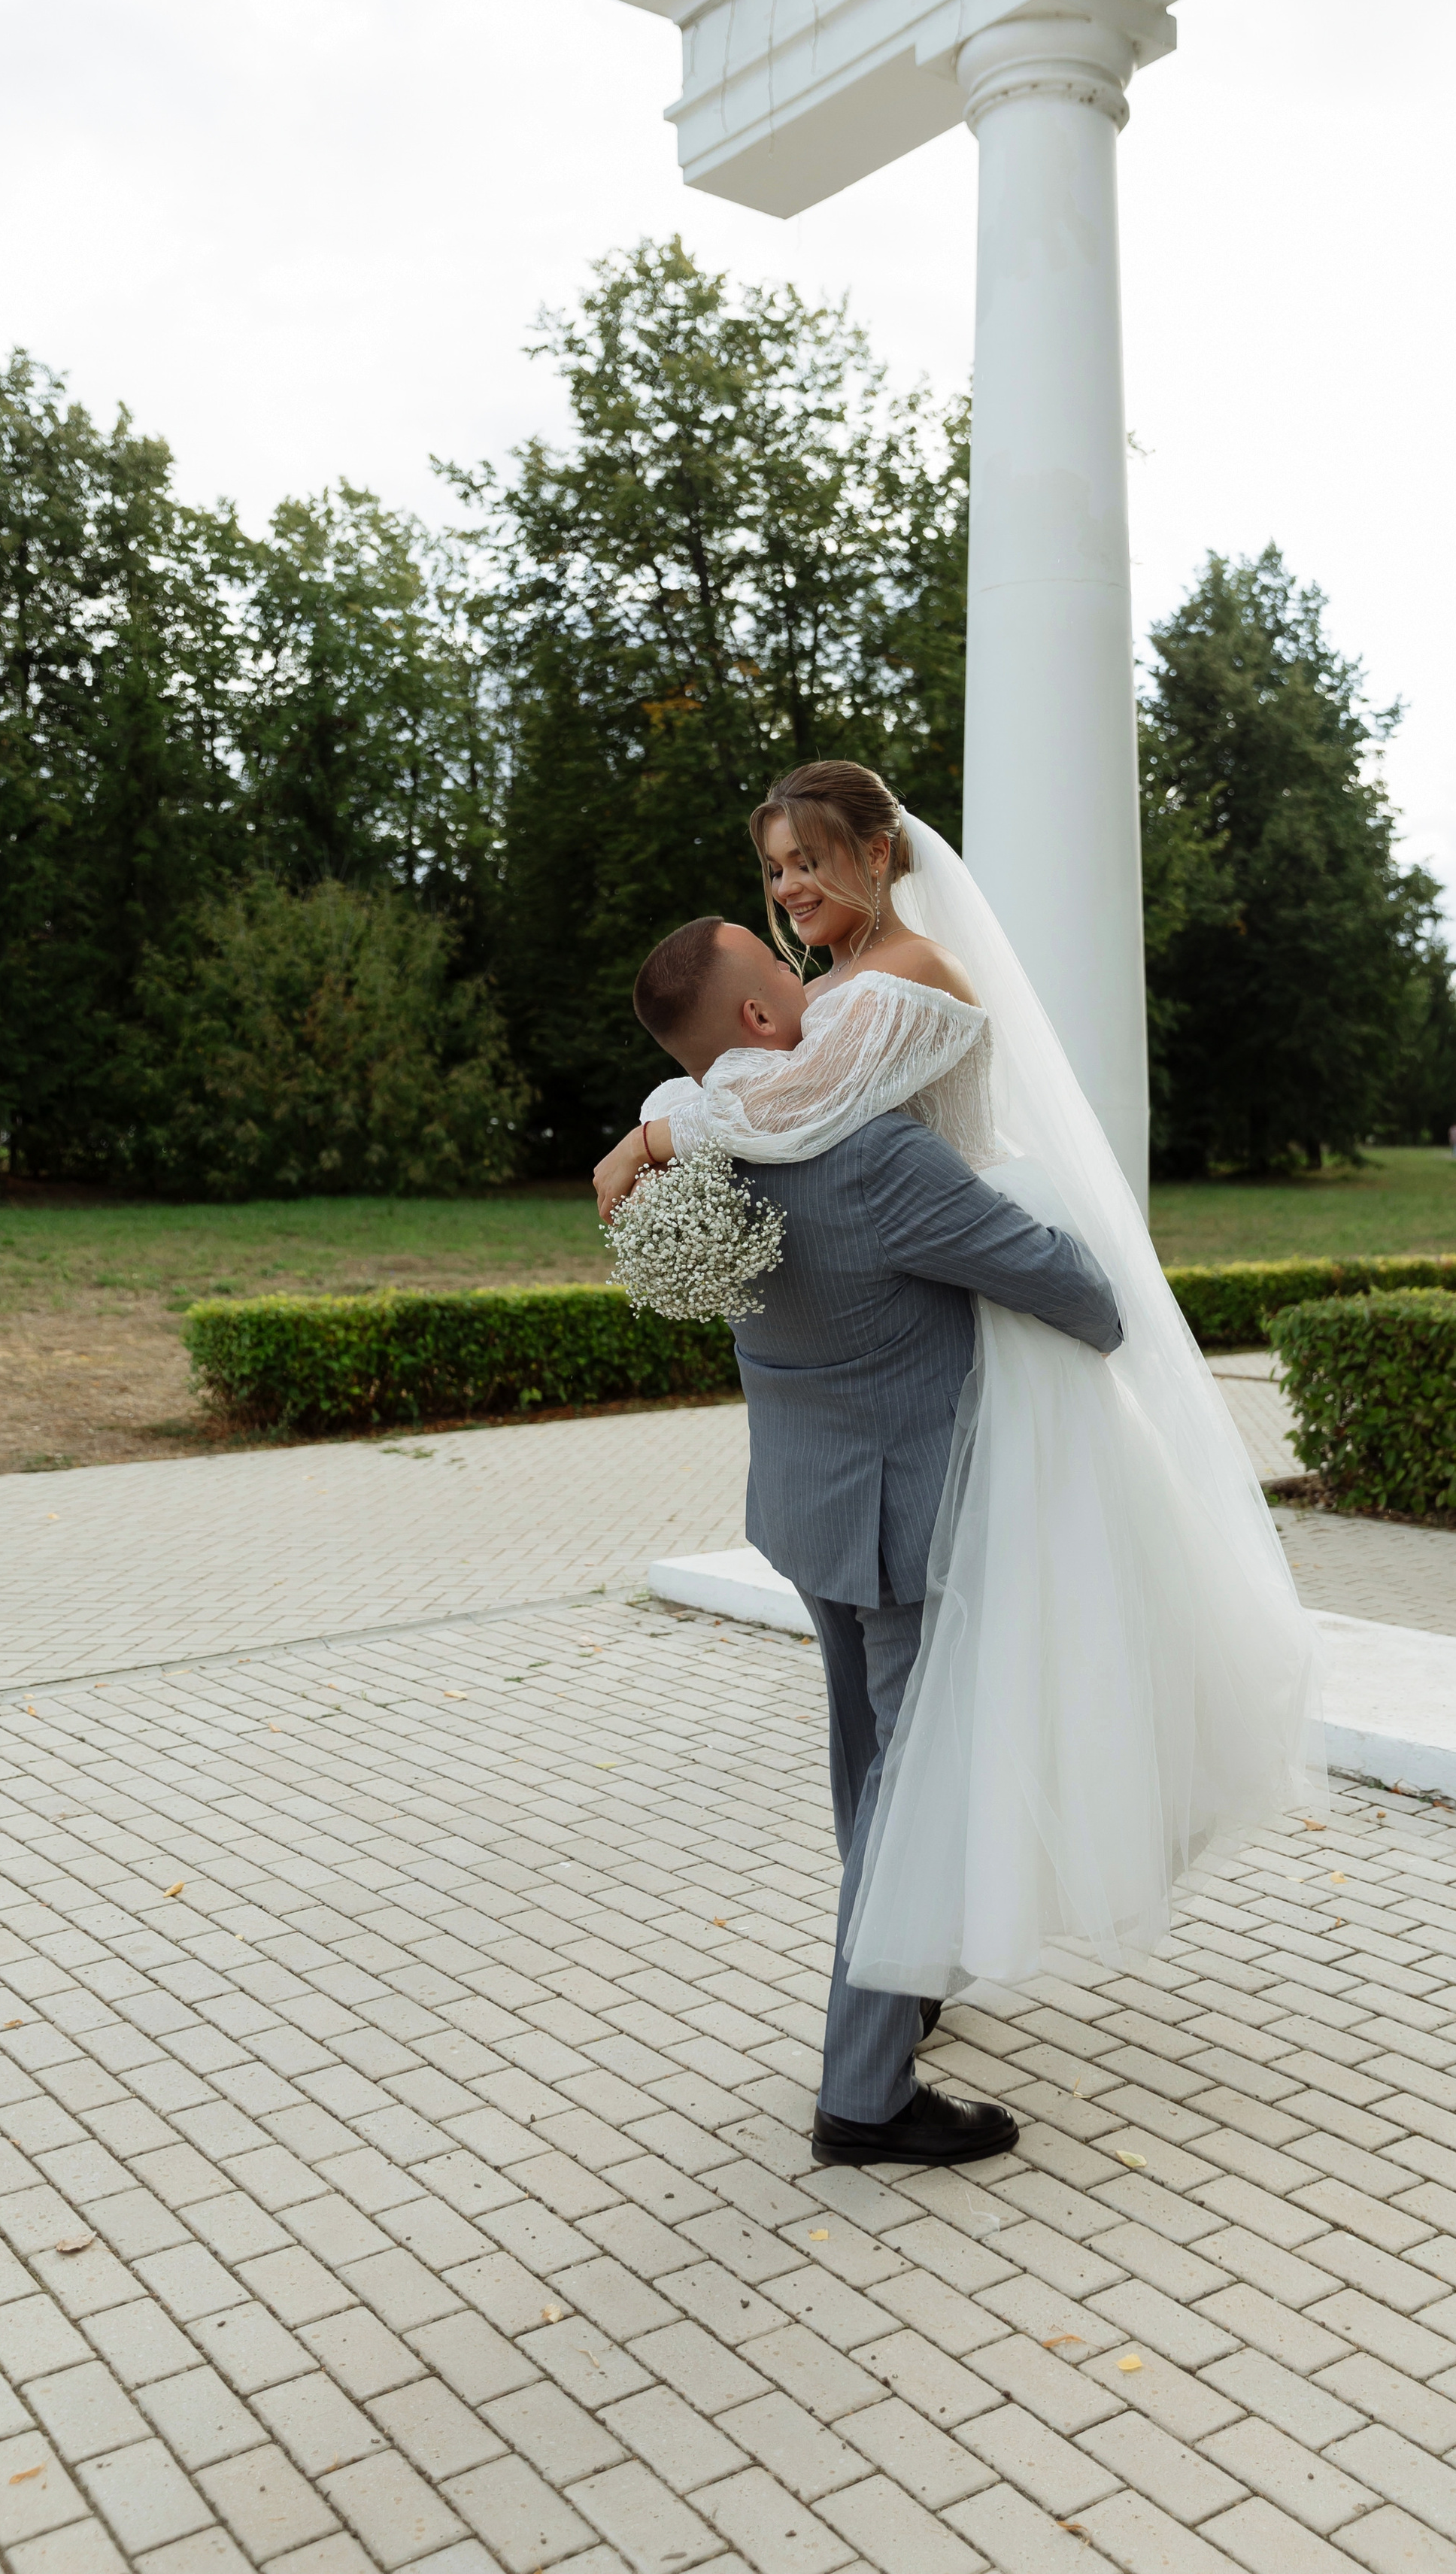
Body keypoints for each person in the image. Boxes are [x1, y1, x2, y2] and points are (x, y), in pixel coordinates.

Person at [599, 765, 1324, 2018]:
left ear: (882, 855)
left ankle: (890, 2003)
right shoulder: (817, 998)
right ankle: (901, 1975)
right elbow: (747, 1087)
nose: (793, 889)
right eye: (774, 869)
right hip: (893, 1333)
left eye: (814, 860)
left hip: (970, 1295)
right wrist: (682, 1107)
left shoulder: (913, 980)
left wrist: (658, 1126)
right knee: (890, 1744)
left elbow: (784, 1101)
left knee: (945, 1717)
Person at [623, 905, 1124, 2169]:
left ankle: (902, 1986)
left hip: (806, 1511)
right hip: (905, 1527)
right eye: (782, 969)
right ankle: (863, 2095)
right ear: (756, 1018)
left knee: (868, 1773)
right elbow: (1082, 1298)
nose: (809, 978)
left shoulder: (690, 1155)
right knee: (912, 1800)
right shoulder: (879, 1163)